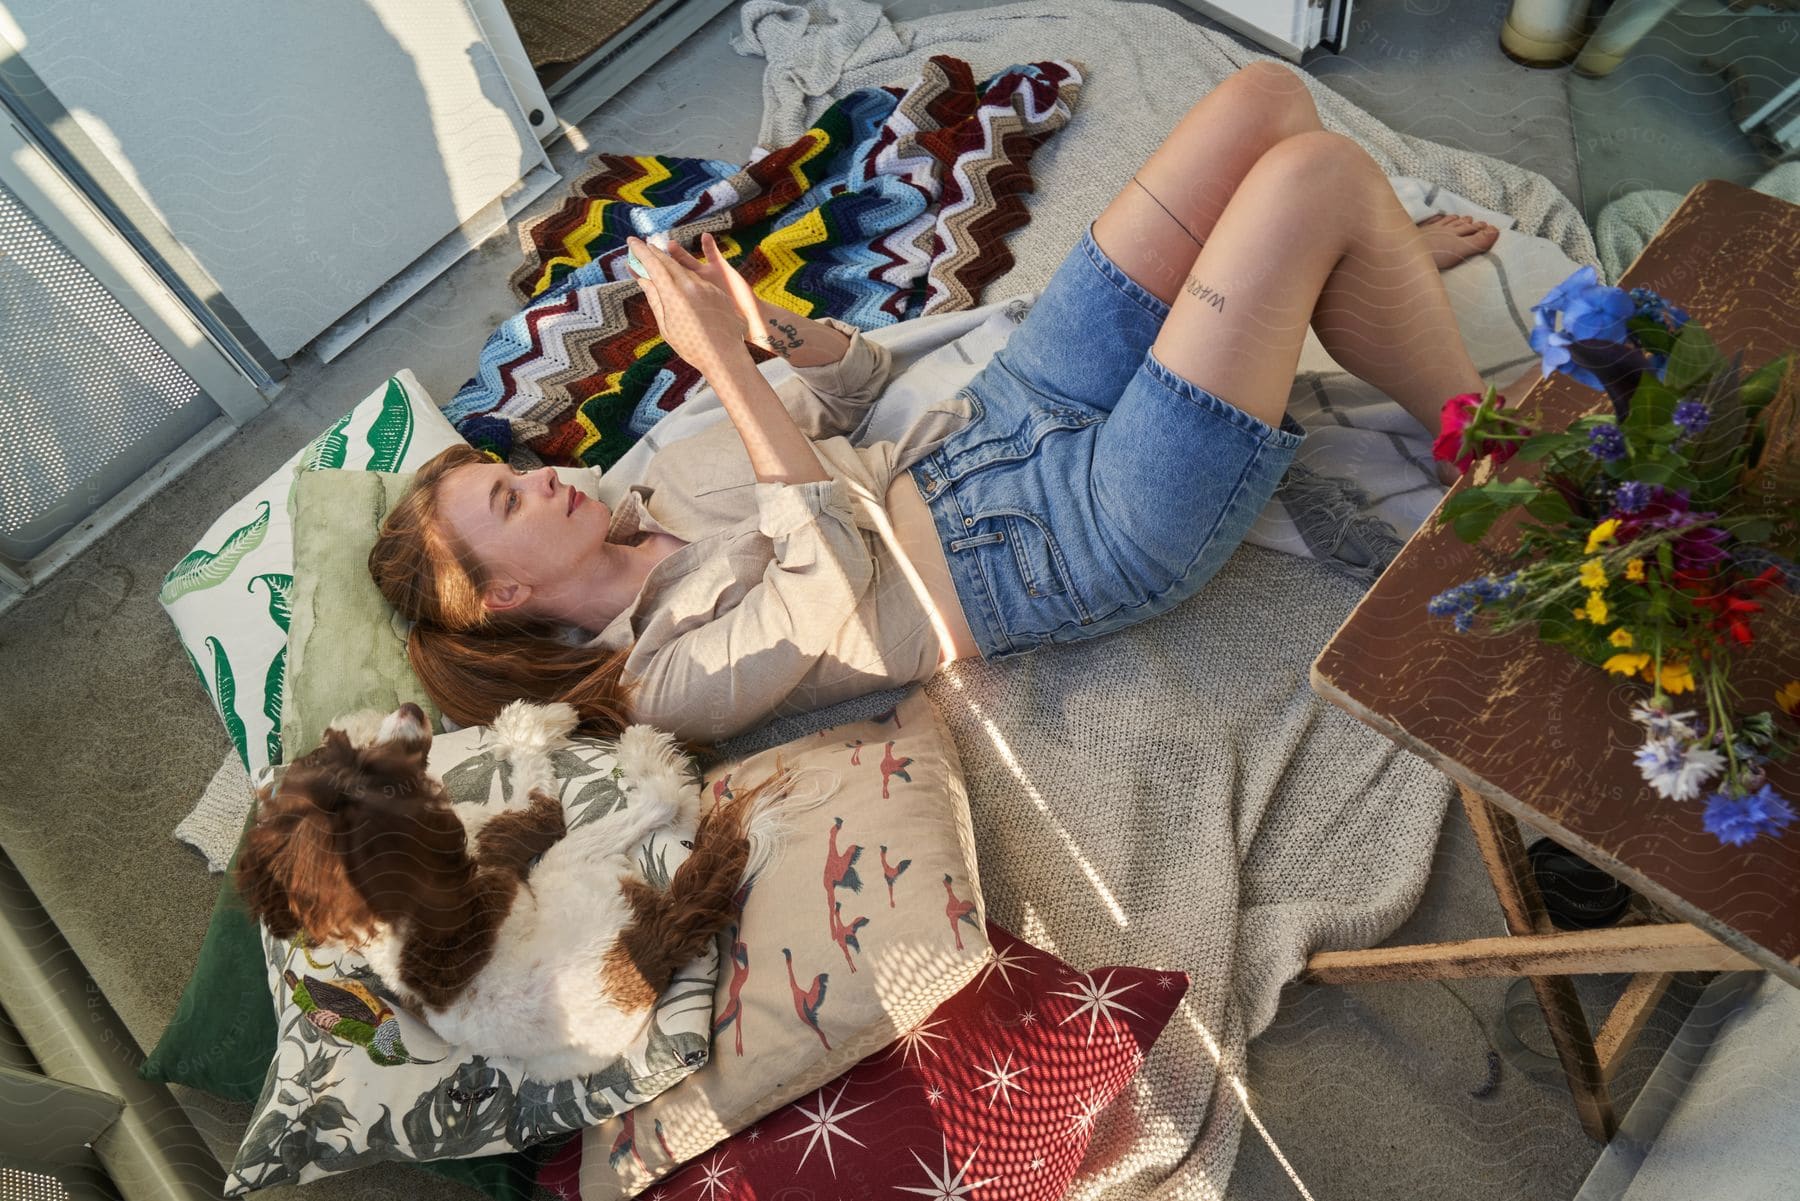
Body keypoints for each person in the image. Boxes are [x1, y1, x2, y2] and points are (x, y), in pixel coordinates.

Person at [370, 62, 1539, 746]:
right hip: (1072, 537)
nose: (554, 472)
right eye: (513, 494)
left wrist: (776, 334)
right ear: (507, 592)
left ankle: (1332, 271)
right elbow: (822, 572)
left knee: (1266, 104)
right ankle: (1493, 448)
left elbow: (862, 401)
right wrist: (721, 369)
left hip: (999, 419)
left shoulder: (654, 477)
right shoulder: (657, 682)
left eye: (517, 467)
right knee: (1316, 182)